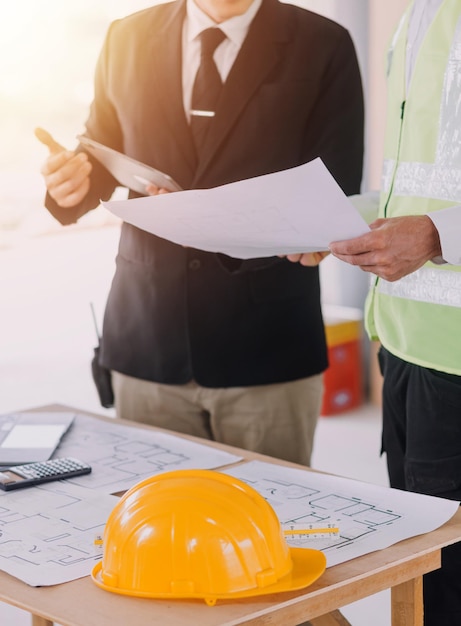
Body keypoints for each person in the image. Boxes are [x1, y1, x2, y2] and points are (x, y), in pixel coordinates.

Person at [37, 0, 364, 466]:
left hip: (265, 342)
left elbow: (336, 181)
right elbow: (102, 149)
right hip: (148, 336)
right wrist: (71, 183)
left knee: (267, 521)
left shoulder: (323, 41)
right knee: (155, 521)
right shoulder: (125, 36)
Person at [291, 1, 461, 623]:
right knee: (423, 574)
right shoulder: (417, 16)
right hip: (404, 347)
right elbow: (412, 188)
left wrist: (439, 235)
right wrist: (339, 223)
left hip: (456, 363)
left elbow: (435, 216)